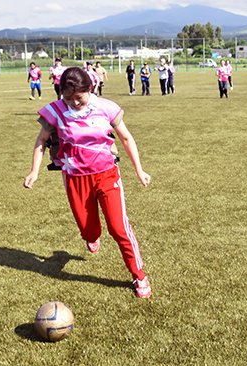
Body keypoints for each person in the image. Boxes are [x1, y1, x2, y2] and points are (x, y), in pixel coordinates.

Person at [23, 67, 152, 298]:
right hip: (75, 179)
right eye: (68, 98)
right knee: (88, 229)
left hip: (106, 175)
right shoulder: (55, 111)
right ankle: (92, 236)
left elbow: (125, 137)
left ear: (89, 89)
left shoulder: (106, 107)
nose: (73, 103)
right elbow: (42, 140)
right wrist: (34, 171)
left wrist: (139, 170)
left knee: (119, 227)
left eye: (79, 98)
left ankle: (139, 275)